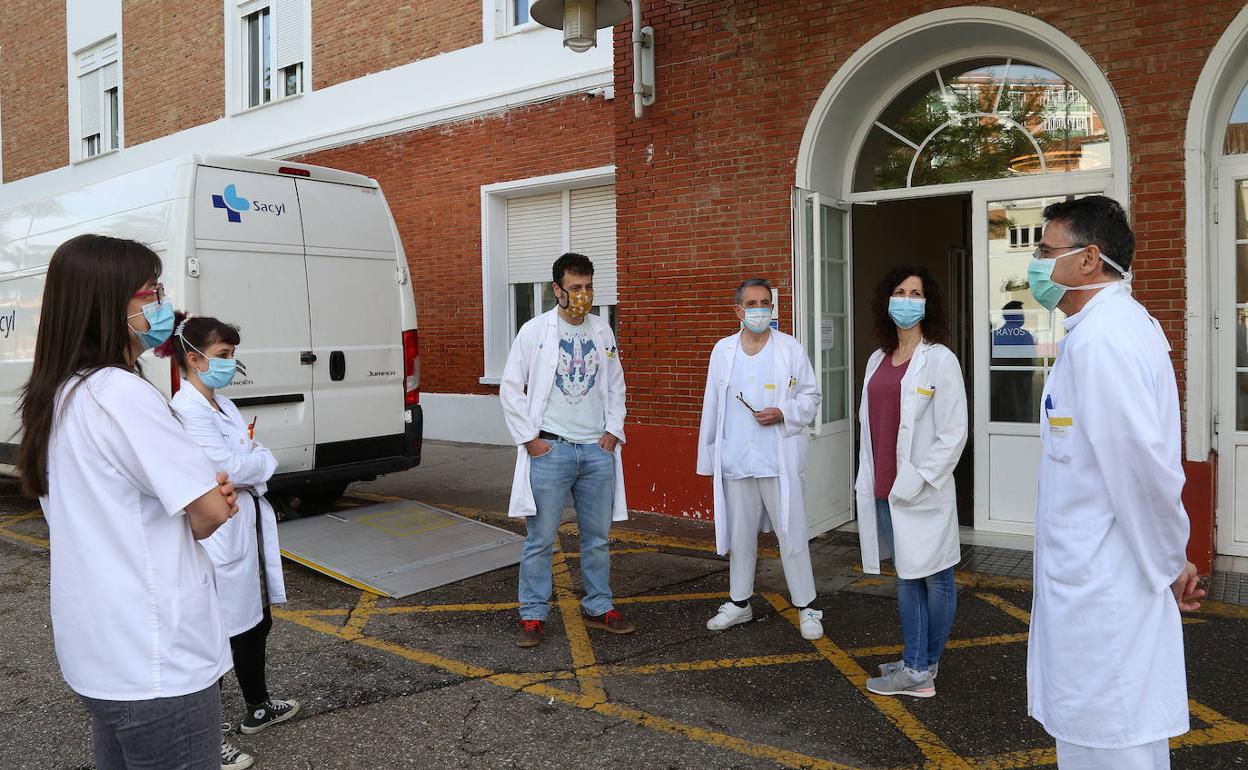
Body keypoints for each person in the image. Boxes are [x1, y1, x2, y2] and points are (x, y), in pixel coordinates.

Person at [17, 234, 239, 770]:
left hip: (101, 654)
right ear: (110, 303)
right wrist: (212, 501)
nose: (164, 304)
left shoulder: (60, 394)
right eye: (152, 291)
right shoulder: (123, 394)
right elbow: (209, 510)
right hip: (156, 660)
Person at [1026, 195, 1204, 769]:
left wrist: (1170, 560)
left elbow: (1140, 468)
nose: (1037, 263)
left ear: (1089, 259)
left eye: (1047, 250)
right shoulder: (1099, 329)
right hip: (1095, 576)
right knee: (1105, 734)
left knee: (1110, 741)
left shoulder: (1105, 338)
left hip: (1105, 587)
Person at [162, 313, 300, 770]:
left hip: (247, 527)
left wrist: (251, 461)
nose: (230, 364)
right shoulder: (185, 411)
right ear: (194, 359)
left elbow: (245, 460)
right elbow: (228, 466)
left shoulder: (223, 405)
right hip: (219, 535)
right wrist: (257, 461)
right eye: (223, 356)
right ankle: (208, 739)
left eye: (232, 355)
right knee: (216, 638)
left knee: (256, 622)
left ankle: (258, 707)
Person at [500, 252, 634, 647]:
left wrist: (613, 431)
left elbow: (615, 384)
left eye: (589, 286)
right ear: (557, 289)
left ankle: (599, 605)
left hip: (596, 452)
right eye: (576, 288)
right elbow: (511, 388)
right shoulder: (534, 331)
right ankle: (533, 614)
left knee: (597, 537)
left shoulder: (602, 330)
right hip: (552, 450)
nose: (584, 295)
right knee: (540, 539)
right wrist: (530, 440)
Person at [856, 264, 968, 698]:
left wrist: (919, 480)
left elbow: (953, 432)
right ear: (887, 300)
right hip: (884, 487)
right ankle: (923, 660)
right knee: (912, 573)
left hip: (922, 490)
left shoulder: (939, 359)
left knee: (929, 577)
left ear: (928, 303)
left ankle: (918, 669)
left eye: (915, 293)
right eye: (899, 291)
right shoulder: (877, 359)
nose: (906, 299)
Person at [695, 278, 824, 639]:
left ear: (773, 308)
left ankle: (807, 606)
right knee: (741, 535)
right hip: (736, 459)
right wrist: (709, 458)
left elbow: (812, 398)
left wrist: (782, 411)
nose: (759, 310)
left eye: (765, 303)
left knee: (791, 531)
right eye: (751, 303)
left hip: (777, 459)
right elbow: (712, 406)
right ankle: (739, 603)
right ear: (738, 310)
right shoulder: (723, 351)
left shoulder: (790, 349)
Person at [990, 300, 1038, 423]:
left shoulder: (995, 335)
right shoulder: (1026, 336)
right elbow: (1032, 363)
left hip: (998, 388)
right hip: (1021, 385)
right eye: (1021, 313)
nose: (1023, 316)